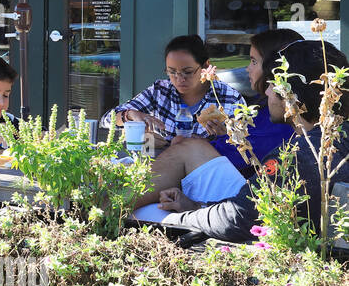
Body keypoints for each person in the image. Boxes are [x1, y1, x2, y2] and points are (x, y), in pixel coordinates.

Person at [148, 40, 349, 243]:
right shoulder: (336, 139)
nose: (268, 92)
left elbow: (239, 218)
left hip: (293, 257)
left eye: (272, 84)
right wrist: (199, 206)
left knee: (147, 213)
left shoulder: (298, 157)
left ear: (291, 94)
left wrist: (179, 219)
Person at [113, 34, 244, 148]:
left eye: (187, 72)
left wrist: (222, 139)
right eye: (172, 72)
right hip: (163, 166)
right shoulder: (160, 91)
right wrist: (130, 115)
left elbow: (247, 149)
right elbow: (108, 120)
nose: (179, 79)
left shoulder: (229, 98)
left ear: (205, 66)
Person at [207, 28, 299, 175]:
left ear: (273, 67)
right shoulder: (262, 102)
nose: (247, 69)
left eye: (254, 62)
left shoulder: (281, 111)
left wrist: (202, 145)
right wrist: (226, 135)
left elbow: (245, 153)